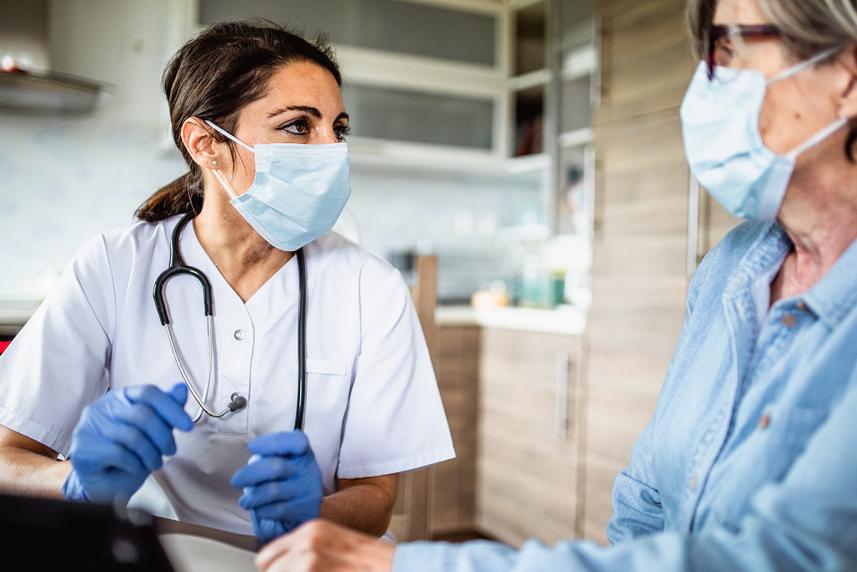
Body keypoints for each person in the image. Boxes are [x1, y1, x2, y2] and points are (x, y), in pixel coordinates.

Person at [253, 0, 857, 569]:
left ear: (847, 76)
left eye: (731, 46)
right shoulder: (734, 266)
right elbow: (645, 500)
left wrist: (401, 563)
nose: (704, 79)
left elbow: (785, 556)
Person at [0, 21, 455, 542]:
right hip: (156, 551)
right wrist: (76, 484)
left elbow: (375, 499)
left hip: (306, 557)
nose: (332, 150)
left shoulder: (370, 288)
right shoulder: (114, 264)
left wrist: (313, 512)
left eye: (339, 129)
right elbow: (6, 460)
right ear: (205, 143)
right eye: (298, 127)